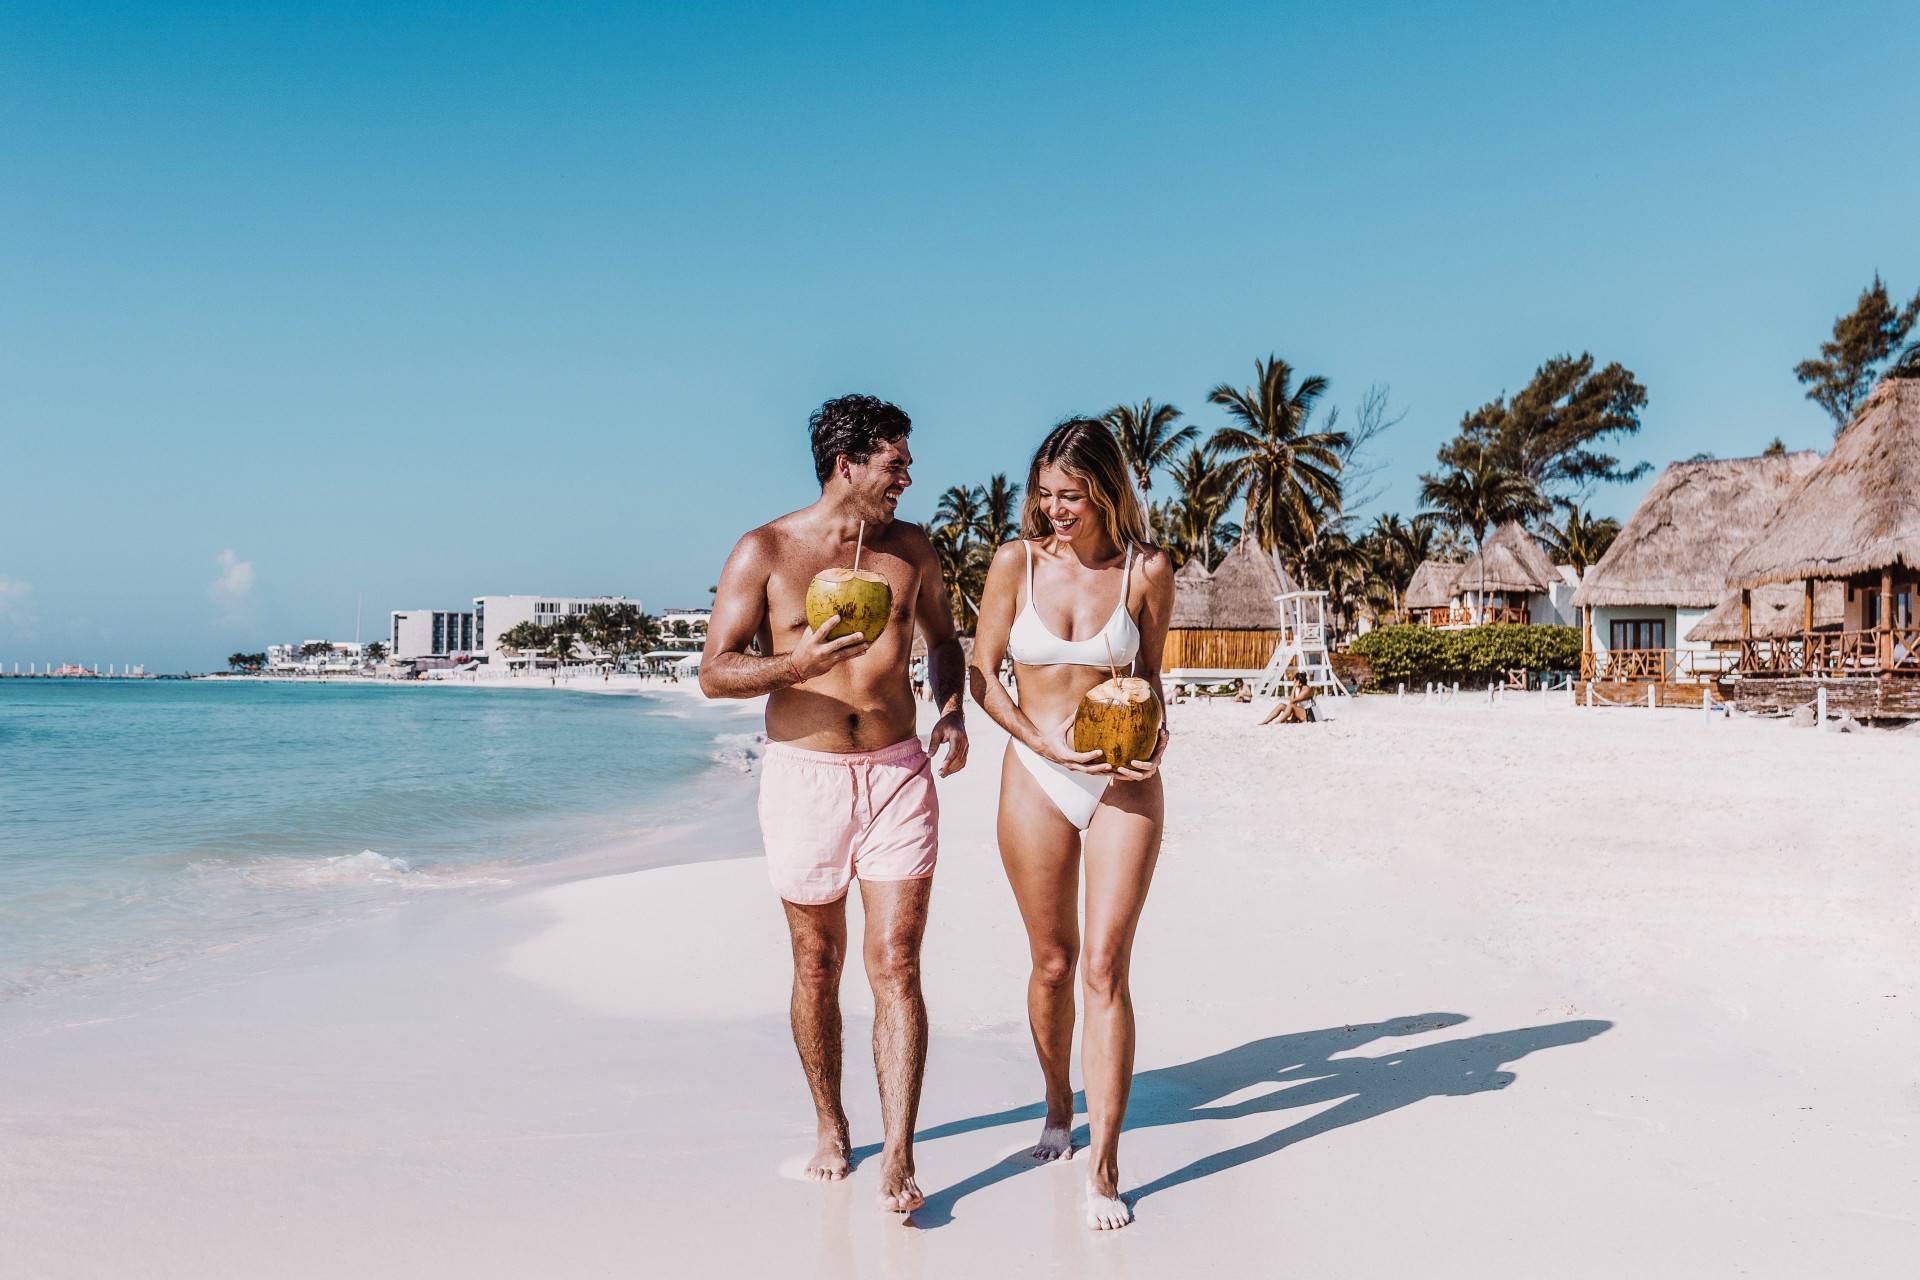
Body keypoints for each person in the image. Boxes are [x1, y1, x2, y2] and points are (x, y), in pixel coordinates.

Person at [700, 395, 969, 1215]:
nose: (908, 477)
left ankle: (899, 1153)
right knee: (817, 963)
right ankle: (830, 1124)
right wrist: (796, 664)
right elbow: (715, 671)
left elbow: (945, 642)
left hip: (897, 773)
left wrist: (951, 708)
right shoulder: (767, 550)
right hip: (804, 777)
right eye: (896, 463)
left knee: (897, 963)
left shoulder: (912, 550)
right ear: (847, 464)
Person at [967, 418, 1174, 1231]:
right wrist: (1040, 739)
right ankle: (1058, 1102)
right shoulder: (1014, 563)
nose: (1055, 510)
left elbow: (1152, 676)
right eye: (1046, 494)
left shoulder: (1147, 570)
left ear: (1106, 491)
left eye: (1072, 496)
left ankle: (1105, 1164)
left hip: (1123, 779)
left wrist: (1159, 735)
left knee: (1104, 967)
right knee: (1052, 965)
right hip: (1038, 771)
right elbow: (983, 675)